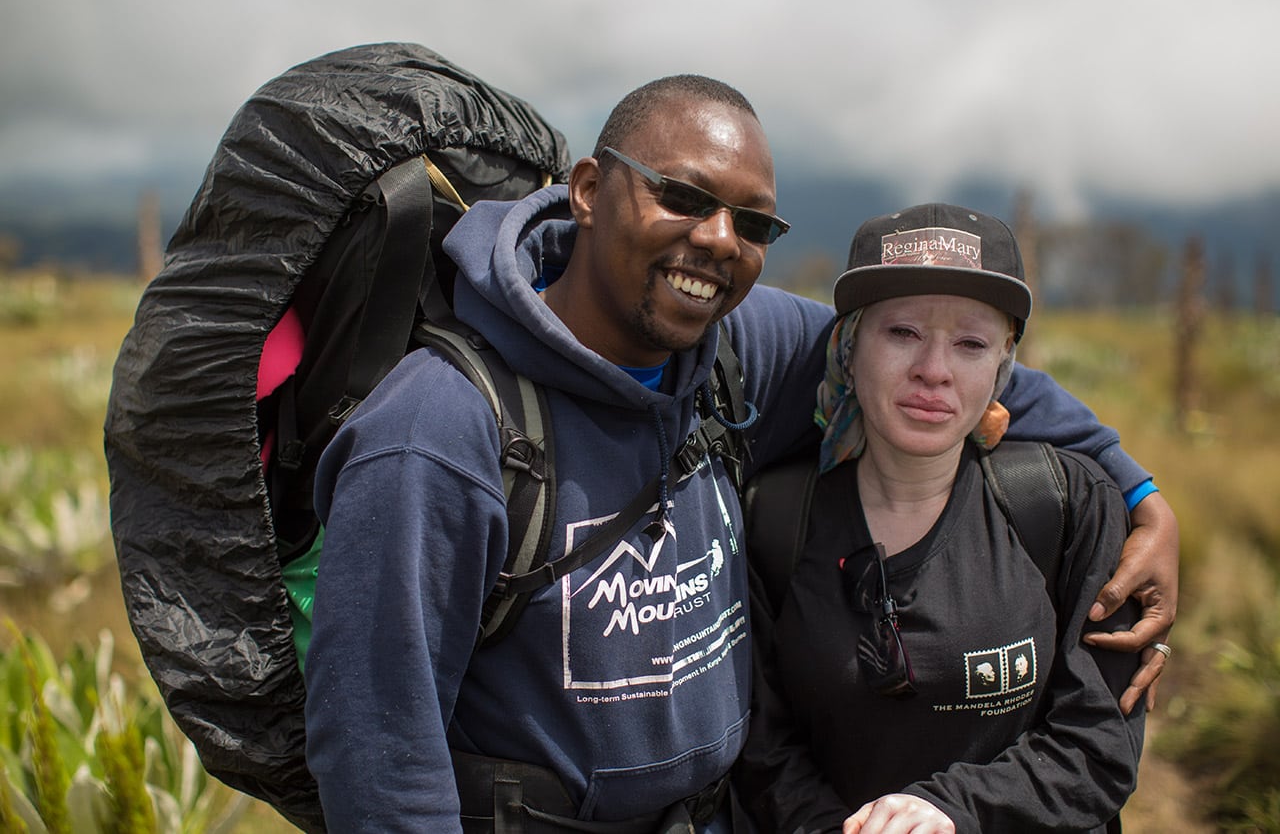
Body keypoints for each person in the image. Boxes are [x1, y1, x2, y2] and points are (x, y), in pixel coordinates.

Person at [303, 77, 1175, 832]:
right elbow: (378, 750)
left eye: (752, 221)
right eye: (683, 196)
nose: (720, 238)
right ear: (589, 189)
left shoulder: (730, 345)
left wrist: (1139, 494)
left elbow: (935, 374)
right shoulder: (438, 431)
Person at [738, 203, 1147, 834]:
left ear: (1003, 365)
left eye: (971, 344)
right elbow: (762, 752)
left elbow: (1100, 744)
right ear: (849, 346)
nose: (934, 370)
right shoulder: (773, 518)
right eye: (902, 332)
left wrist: (955, 811)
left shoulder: (1065, 504)